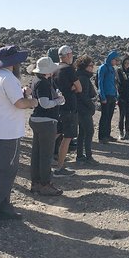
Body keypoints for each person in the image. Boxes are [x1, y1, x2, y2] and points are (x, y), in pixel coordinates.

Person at [0, 46, 38, 228]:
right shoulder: (9, 79)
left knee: (2, 171)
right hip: (7, 133)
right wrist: (32, 102)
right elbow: (19, 103)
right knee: (6, 173)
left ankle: (4, 208)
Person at [29, 57, 65, 196]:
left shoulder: (38, 81)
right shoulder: (43, 83)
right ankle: (45, 184)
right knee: (45, 155)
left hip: (38, 120)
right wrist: (57, 101)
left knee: (37, 154)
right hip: (46, 122)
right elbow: (44, 103)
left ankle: (36, 183)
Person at [53, 45, 81, 177]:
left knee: (55, 134)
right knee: (67, 137)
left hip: (58, 106)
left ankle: (44, 161)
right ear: (68, 55)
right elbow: (79, 88)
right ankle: (60, 167)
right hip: (69, 107)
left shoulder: (54, 68)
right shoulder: (69, 69)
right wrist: (72, 88)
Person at [74, 55, 98, 165]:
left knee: (83, 133)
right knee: (89, 132)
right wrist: (91, 106)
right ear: (85, 66)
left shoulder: (81, 76)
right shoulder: (83, 78)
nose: (92, 68)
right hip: (83, 109)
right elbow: (83, 96)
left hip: (81, 109)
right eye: (90, 66)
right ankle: (88, 156)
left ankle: (80, 155)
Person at [96, 50, 120, 143]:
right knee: (104, 116)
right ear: (111, 59)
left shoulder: (112, 69)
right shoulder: (103, 68)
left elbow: (114, 83)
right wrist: (102, 96)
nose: (116, 62)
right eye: (115, 60)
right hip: (105, 95)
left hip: (112, 95)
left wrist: (116, 95)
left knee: (109, 116)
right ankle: (102, 137)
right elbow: (100, 82)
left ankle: (107, 134)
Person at [116, 55, 129, 140]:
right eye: (126, 63)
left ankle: (127, 132)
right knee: (122, 114)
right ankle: (121, 132)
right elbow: (121, 82)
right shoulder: (119, 71)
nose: (127, 64)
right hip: (122, 96)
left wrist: (127, 83)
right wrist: (127, 83)